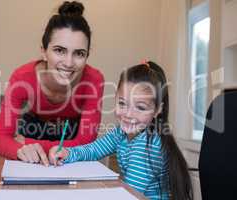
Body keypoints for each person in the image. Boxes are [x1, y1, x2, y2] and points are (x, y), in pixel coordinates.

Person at [49, 61, 193, 200]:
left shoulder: (148, 145)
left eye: (141, 107)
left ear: (157, 110)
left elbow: (128, 195)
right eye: (122, 103)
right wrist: (68, 153)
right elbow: (94, 150)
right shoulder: (121, 133)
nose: (128, 114)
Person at [0, 1, 104, 166]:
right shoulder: (22, 78)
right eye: (59, 50)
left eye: (79, 53)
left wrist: (26, 143)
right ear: (43, 51)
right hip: (34, 129)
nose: (69, 62)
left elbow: (86, 143)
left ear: (87, 56)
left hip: (67, 138)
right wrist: (19, 150)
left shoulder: (94, 80)